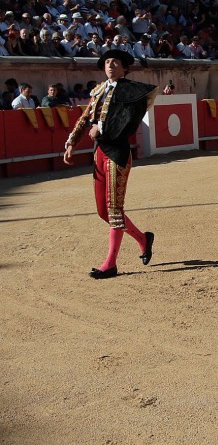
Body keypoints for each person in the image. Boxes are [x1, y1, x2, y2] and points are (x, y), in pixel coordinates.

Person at [63, 50, 158, 279]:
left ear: (124, 68)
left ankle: (110, 264)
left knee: (115, 209)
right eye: (107, 62)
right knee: (103, 211)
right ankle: (143, 239)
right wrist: (72, 142)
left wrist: (102, 128)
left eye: (115, 62)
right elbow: (86, 118)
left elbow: (129, 123)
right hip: (99, 153)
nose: (110, 65)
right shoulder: (99, 90)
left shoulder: (131, 91)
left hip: (117, 153)